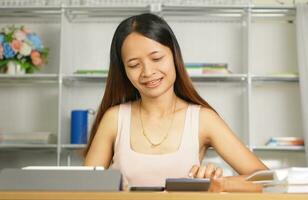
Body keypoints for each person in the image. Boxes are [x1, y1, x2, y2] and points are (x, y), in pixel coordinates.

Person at [84, 13, 268, 192]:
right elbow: (83, 187)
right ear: (123, 70)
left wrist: (219, 184)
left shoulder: (203, 119)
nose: (147, 72)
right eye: (134, 65)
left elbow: (265, 179)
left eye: (156, 58)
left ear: (174, 56)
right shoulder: (114, 119)